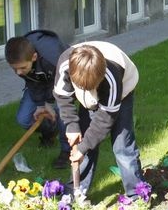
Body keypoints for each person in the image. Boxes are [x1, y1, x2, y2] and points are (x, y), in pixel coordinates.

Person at [53, 41, 145, 197]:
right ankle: (77, 192)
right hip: (87, 90)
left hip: (122, 91)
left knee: (122, 146)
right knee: (84, 142)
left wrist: (83, 147)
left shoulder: (112, 76)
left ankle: (137, 195)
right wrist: (72, 127)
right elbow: (62, 96)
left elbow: (105, 119)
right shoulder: (65, 65)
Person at [5, 30, 71, 169]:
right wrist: (40, 105)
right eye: (14, 69)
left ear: (34, 57)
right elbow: (32, 81)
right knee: (23, 119)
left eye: (22, 68)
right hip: (40, 82)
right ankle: (50, 131)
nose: (18, 72)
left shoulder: (53, 58)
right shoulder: (21, 59)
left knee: (62, 113)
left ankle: (67, 151)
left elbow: (59, 82)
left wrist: (48, 102)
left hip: (63, 79)